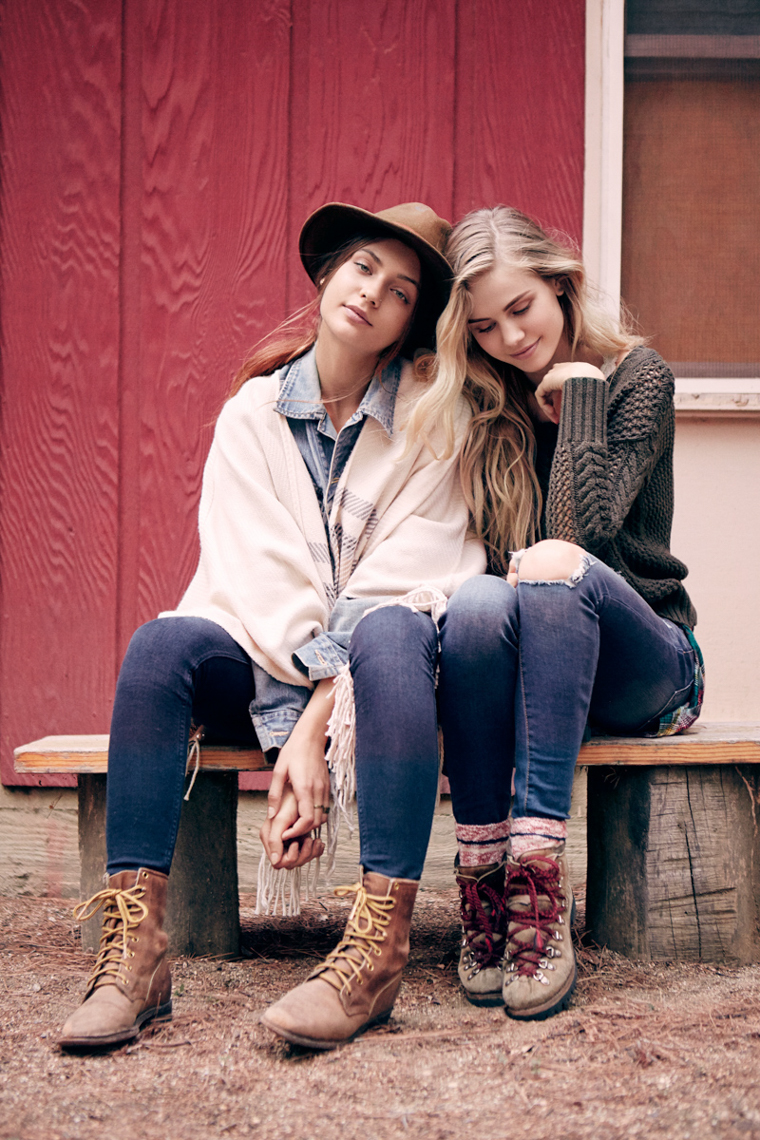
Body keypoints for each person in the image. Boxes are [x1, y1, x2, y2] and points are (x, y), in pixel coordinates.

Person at [59, 201, 485, 1052]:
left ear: (412, 323)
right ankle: (136, 957)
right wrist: (294, 730)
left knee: (391, 633)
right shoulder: (252, 415)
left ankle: (376, 955)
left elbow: (408, 579)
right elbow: (260, 580)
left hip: (383, 681)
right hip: (262, 653)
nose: (373, 294)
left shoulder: (435, 424)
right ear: (328, 274)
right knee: (160, 645)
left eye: (401, 291)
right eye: (363, 267)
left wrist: (315, 729)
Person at [406, 205, 704, 1021]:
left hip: (649, 664)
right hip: (543, 677)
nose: (509, 337)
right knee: (477, 604)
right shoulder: (488, 404)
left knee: (551, 568)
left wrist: (578, 396)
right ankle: (484, 881)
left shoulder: (638, 378)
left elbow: (583, 538)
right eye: (483, 327)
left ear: (561, 286)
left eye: (521, 308)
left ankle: (537, 879)